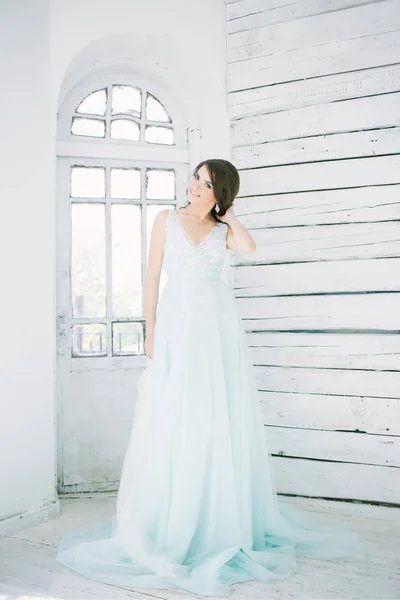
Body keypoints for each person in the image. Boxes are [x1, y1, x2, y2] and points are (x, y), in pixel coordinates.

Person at [56, 159, 364, 597]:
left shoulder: (222, 231)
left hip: (218, 328)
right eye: (195, 178)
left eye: (205, 183)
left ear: (220, 192)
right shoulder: (167, 219)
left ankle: (216, 515)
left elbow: (249, 246)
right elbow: (149, 278)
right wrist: (151, 331)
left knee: (216, 413)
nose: (194, 186)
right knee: (178, 415)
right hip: (179, 324)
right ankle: (175, 517)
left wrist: (229, 212)